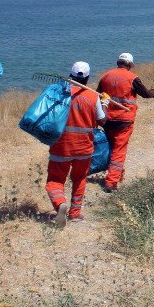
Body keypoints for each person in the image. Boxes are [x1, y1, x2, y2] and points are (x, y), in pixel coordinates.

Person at [46, 61, 107, 228]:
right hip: (84, 147)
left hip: (62, 145)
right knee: (80, 178)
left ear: (70, 75)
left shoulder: (60, 94)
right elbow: (102, 120)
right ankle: (75, 213)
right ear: (87, 78)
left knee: (55, 179)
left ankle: (60, 204)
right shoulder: (93, 96)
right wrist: (105, 103)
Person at [96, 52, 154, 192]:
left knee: (112, 147)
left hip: (106, 119)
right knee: (119, 150)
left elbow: (97, 95)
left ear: (118, 62)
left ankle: (119, 174)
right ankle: (111, 182)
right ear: (129, 64)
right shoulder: (132, 77)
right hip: (124, 120)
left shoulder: (105, 76)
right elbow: (146, 94)